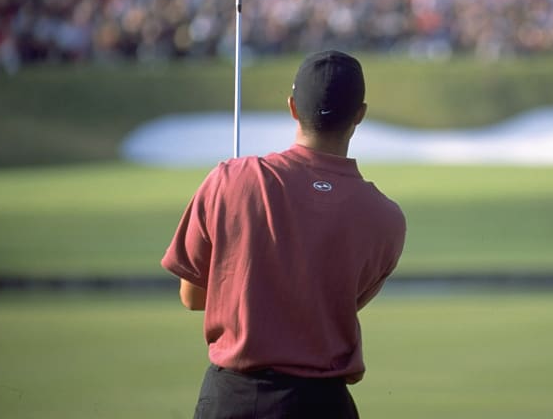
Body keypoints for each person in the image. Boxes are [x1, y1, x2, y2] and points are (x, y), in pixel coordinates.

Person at [161, 50, 407, 418]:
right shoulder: (386, 217)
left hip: (233, 399)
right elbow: (334, 305)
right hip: (323, 404)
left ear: (292, 107)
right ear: (360, 114)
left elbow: (193, 296)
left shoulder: (230, 180)